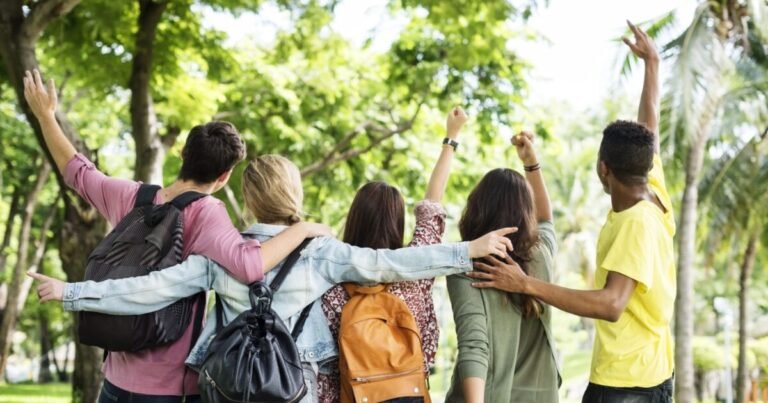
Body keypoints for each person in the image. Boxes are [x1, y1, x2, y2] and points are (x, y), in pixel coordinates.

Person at [30, 117, 515, 403]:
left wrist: (71, 291)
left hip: (228, 387)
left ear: (245, 195)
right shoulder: (321, 251)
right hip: (293, 390)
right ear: (295, 193)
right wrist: (467, 250)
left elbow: (149, 289)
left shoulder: (222, 251)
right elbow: (394, 264)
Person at [22, 69, 331, 402]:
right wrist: (304, 228)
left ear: (182, 154)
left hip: (114, 381)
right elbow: (249, 265)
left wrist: (46, 116)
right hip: (169, 388)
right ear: (224, 176)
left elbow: (78, 173)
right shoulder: (207, 213)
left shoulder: (132, 198)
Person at [469, 21, 675, 403]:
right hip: (655, 372)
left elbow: (611, 304)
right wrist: (652, 65)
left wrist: (525, 283)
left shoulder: (635, 224)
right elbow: (650, 127)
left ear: (603, 169)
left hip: (625, 384)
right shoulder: (652, 189)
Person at [317, 107, 468, 402]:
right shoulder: (416, 271)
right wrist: (451, 138)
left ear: (354, 219)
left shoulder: (330, 283)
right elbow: (431, 205)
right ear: (397, 223)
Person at [445, 130, 560, 403]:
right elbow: (546, 219)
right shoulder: (541, 254)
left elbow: (474, 347)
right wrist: (532, 163)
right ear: (525, 212)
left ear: (476, 208)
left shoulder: (467, 267)